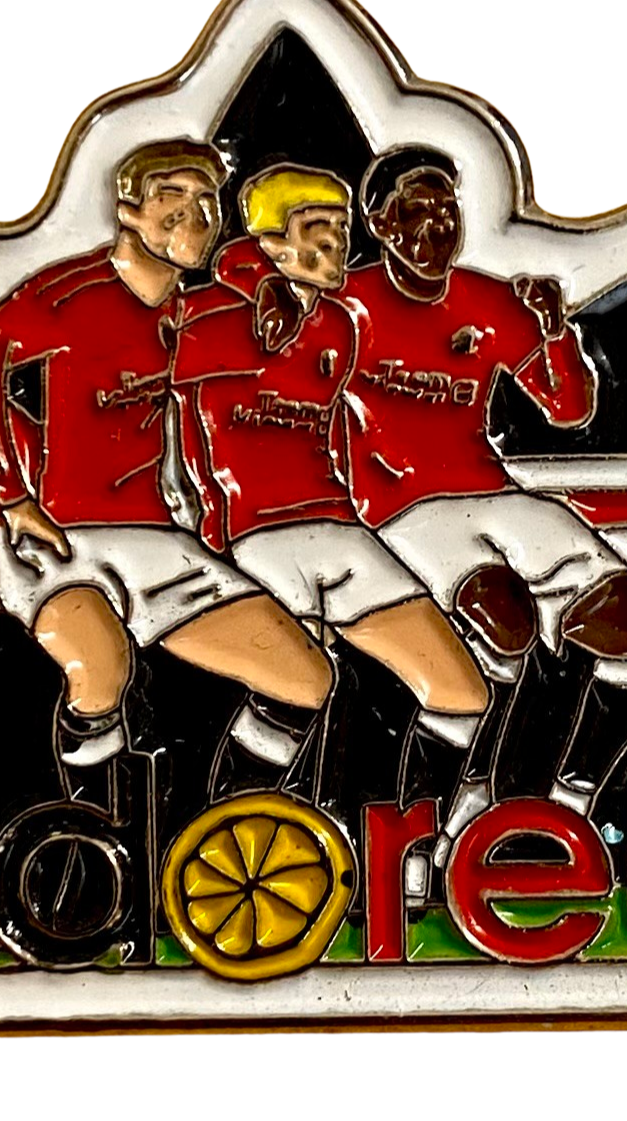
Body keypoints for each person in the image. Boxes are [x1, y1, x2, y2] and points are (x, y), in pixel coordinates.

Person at [0, 140, 332, 805]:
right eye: (172, 196)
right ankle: (97, 828)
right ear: (126, 210)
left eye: (206, 200)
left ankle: (221, 820)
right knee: (100, 671)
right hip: (63, 537)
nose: (195, 214)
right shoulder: (71, 293)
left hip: (156, 541)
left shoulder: (194, 313)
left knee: (306, 680)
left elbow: (265, 329)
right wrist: (14, 493)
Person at [341, 147, 627, 856]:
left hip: (489, 492)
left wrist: (555, 331)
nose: (435, 226)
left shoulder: (487, 300)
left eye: (446, 210)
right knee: (504, 621)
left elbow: (568, 409)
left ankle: (571, 798)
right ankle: (458, 802)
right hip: (398, 509)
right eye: (416, 210)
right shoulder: (345, 306)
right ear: (380, 222)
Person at [172, 164, 490, 796]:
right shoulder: (205, 317)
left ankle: (414, 835)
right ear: (271, 240)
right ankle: (233, 818)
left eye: (343, 228)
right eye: (318, 226)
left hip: (337, 527)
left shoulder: (341, 325)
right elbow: (177, 431)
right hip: (253, 534)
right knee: (300, 688)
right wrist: (207, 527)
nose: (338, 242)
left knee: (460, 691)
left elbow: (341, 428)